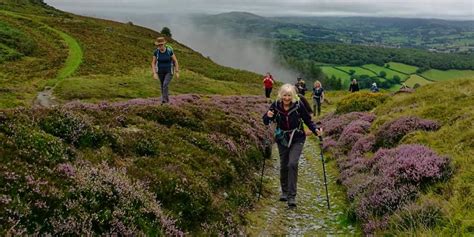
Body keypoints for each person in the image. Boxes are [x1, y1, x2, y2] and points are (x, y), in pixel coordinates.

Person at [263, 84, 322, 208]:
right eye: (285, 95)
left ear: (293, 96)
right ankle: (284, 192)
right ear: (281, 95)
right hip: (282, 138)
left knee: (292, 163)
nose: (287, 98)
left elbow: (307, 120)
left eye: (289, 95)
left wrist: (315, 130)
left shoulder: (298, 105)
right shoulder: (275, 105)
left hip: (298, 137)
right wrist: (267, 116)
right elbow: (266, 121)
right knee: (284, 164)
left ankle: (292, 197)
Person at [151, 37, 179, 104]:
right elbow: (153, 63)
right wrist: (154, 73)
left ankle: (165, 101)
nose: (160, 46)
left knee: (165, 84)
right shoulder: (156, 52)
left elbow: (175, 61)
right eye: (158, 45)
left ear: (164, 44)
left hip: (169, 71)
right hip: (160, 72)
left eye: (161, 44)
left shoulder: (169, 51)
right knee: (162, 86)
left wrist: (177, 71)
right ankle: (165, 100)